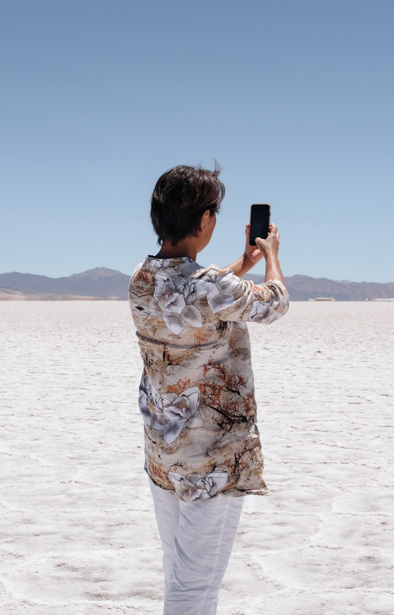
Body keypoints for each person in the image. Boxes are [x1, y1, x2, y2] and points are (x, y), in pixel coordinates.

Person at [129, 164, 289, 615]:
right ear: (202, 221)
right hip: (211, 460)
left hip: (164, 454)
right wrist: (271, 254)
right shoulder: (213, 287)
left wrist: (244, 264)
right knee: (195, 586)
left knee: (178, 571)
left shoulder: (141, 278)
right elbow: (274, 303)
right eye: (213, 211)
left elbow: (196, 296)